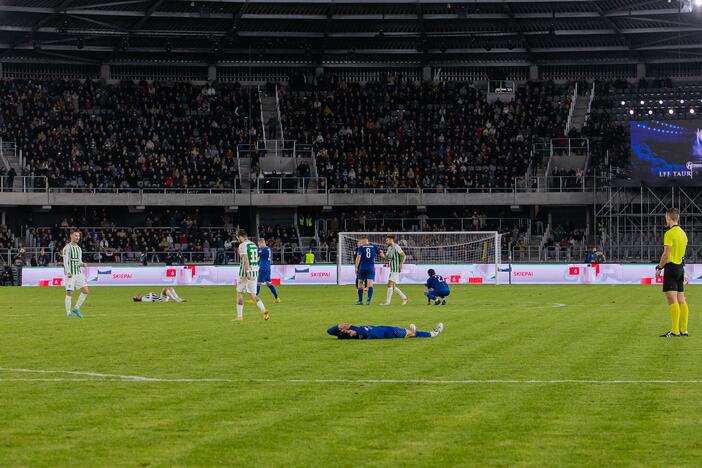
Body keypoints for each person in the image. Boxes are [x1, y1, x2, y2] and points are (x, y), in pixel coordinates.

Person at [656, 208, 689, 337]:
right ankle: (684, 329)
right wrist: (683, 272)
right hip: (680, 268)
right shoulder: (683, 234)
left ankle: (675, 331)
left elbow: (666, 254)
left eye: (666, 217)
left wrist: (659, 268)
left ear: (669, 218)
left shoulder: (669, 234)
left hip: (671, 268)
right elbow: (682, 255)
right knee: (681, 299)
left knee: (672, 300)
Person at [235, 229, 269, 321]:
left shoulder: (242, 245)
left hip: (246, 273)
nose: (237, 238)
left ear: (240, 236)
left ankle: (239, 317)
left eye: (237, 237)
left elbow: (246, 258)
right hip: (255, 271)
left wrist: (247, 271)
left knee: (239, 293)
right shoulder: (253, 245)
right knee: (253, 295)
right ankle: (264, 310)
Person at [63, 230, 88, 318]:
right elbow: (65, 261)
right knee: (69, 292)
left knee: (85, 291)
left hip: (78, 273)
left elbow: (79, 261)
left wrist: (83, 264)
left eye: (78, 236)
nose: (77, 237)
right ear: (71, 236)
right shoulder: (67, 248)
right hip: (70, 274)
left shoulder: (79, 248)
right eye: (75, 236)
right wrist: (68, 272)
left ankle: (76, 308)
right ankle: (68, 313)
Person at [380, 234, 408, 306]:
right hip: (392, 268)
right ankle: (405, 298)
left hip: (396, 268)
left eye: (387, 240)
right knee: (393, 287)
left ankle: (387, 302)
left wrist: (401, 264)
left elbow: (404, 256)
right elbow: (387, 258)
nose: (386, 242)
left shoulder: (396, 247)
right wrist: (382, 254)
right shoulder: (389, 248)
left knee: (390, 285)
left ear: (391, 240)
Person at [327, 322, 444, 339]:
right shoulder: (362, 334)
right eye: (348, 332)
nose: (349, 329)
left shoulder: (357, 331)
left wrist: (338, 326)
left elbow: (329, 331)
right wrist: (346, 326)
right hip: (390, 332)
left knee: (411, 334)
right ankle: (432, 333)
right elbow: (349, 326)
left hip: (385, 328)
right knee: (411, 333)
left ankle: (432, 333)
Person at [354, 236, 382, 305]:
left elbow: (358, 257)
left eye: (361, 242)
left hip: (362, 267)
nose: (360, 243)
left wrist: (356, 267)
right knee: (370, 284)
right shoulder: (374, 247)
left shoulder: (361, 248)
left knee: (360, 283)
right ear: (367, 241)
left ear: (363, 242)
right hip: (371, 268)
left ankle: (360, 301)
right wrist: (388, 258)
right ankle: (368, 300)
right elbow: (381, 255)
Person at [255, 238, 280, 302]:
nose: (259, 246)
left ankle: (254, 298)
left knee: (258, 282)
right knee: (268, 283)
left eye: (259, 244)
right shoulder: (267, 249)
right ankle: (277, 298)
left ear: (262, 243)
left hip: (263, 268)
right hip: (267, 267)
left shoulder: (265, 250)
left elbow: (256, 254)